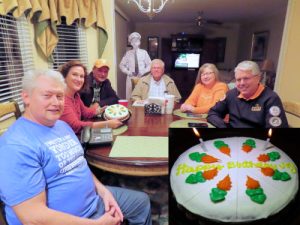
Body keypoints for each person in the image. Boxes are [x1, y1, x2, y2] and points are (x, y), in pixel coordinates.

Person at [0, 69, 152, 225]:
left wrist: (103, 191)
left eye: (59, 96)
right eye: (47, 95)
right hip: (73, 220)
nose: (56, 102)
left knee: (142, 202)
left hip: (94, 201)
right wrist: (97, 224)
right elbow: (33, 217)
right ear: (26, 97)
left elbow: (79, 164)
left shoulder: (61, 126)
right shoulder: (15, 146)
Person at [207, 60, 288, 128]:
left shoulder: (271, 99)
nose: (242, 83)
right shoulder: (231, 94)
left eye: (246, 78)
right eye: (238, 80)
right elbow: (213, 113)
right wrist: (224, 127)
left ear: (258, 78)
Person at [59, 60, 122, 134]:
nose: (79, 79)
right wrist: (107, 124)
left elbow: (85, 112)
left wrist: (99, 110)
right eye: (74, 74)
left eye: (81, 76)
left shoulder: (76, 95)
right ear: (64, 76)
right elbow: (76, 126)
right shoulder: (61, 99)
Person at [119, 32, 152, 99]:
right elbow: (121, 65)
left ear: (139, 41)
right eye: (133, 41)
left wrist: (143, 72)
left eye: (136, 40)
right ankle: (131, 109)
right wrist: (128, 72)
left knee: (142, 95)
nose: (135, 42)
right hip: (131, 77)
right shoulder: (128, 53)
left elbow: (150, 65)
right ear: (131, 43)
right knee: (130, 96)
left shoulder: (144, 53)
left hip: (142, 77)